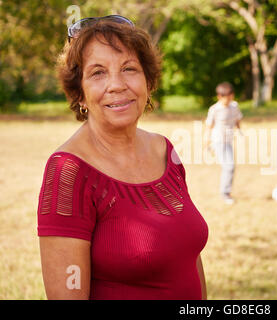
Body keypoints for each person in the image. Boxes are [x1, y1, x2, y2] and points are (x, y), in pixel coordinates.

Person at [37, 15, 208, 300]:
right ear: (79, 93)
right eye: (98, 73)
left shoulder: (164, 150)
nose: (116, 84)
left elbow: (189, 257)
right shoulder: (67, 172)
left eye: (129, 68)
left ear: (148, 81)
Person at [205, 82, 243, 205]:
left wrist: (240, 131)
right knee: (229, 166)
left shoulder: (234, 106)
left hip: (228, 141)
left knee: (230, 167)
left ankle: (226, 192)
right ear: (219, 97)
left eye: (230, 97)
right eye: (226, 98)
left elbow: (237, 119)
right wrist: (206, 143)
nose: (228, 100)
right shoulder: (214, 109)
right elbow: (209, 127)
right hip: (218, 141)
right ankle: (225, 194)